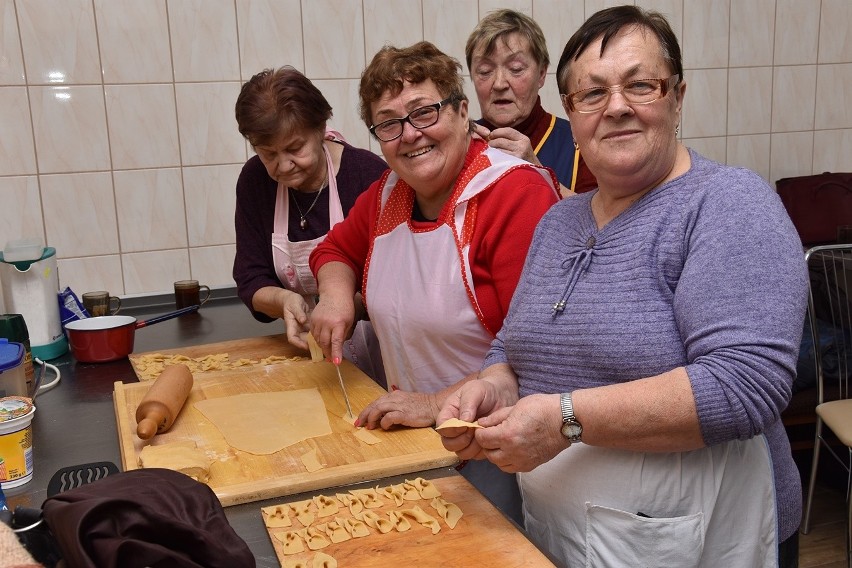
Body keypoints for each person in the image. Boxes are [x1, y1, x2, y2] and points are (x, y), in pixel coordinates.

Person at [437, 6, 808, 567]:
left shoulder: (728, 203)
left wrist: (564, 419)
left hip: (694, 534)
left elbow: (743, 385)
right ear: (571, 112)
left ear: (677, 97)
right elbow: (510, 345)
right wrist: (495, 384)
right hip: (558, 528)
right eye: (592, 93)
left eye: (640, 85)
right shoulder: (558, 222)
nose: (616, 107)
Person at [308, 41, 559, 524]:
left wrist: (432, 404)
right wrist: (335, 296)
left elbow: (535, 353)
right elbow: (334, 250)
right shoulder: (389, 194)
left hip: (501, 451)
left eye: (424, 112)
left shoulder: (512, 194)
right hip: (420, 443)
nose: (410, 135)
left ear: (464, 112)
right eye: (389, 123)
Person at [233, 67, 388, 383]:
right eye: (268, 154)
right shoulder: (254, 181)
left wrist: (342, 308)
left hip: (379, 351)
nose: (283, 165)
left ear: (321, 128)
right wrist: (285, 301)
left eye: (294, 148)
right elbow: (251, 277)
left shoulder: (369, 176)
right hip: (305, 352)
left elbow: (390, 280)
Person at [465, 9, 596, 195]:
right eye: (485, 71)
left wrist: (537, 172)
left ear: (541, 74)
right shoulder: (462, 145)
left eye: (515, 69)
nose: (500, 84)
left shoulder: (579, 143)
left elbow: (600, 221)